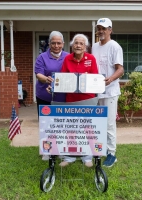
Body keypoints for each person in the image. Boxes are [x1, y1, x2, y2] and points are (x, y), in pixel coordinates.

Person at [48, 34, 99, 167]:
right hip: (70, 99)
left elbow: (95, 79)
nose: (78, 45)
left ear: (85, 47)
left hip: (88, 99)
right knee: (71, 129)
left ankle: (87, 157)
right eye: (76, 43)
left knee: (88, 128)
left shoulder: (91, 59)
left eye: (81, 43)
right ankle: (69, 157)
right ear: (72, 45)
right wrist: (53, 87)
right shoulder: (67, 59)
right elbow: (62, 78)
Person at [92, 18, 124, 167]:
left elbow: (120, 69)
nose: (101, 31)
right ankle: (100, 150)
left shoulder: (114, 46)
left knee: (109, 124)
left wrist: (110, 79)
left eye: (104, 28)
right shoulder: (94, 47)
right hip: (96, 92)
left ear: (110, 30)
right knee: (98, 123)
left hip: (110, 92)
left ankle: (112, 153)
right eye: (99, 28)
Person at [35, 31, 69, 160]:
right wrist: (46, 79)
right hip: (45, 97)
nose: (56, 45)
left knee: (60, 124)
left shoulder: (68, 57)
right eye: (53, 43)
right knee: (46, 124)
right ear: (49, 44)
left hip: (62, 98)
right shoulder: (42, 57)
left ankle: (60, 150)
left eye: (58, 43)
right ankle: (47, 151)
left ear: (63, 44)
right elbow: (39, 74)